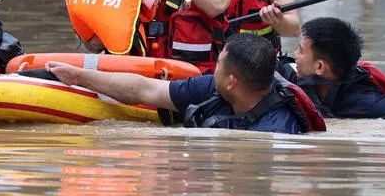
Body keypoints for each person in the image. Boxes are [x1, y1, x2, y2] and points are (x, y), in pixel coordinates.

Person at [45, 33, 325, 134]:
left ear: (232, 81)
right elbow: (146, 89)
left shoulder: (277, 131)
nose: (211, 70)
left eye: (218, 66)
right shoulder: (214, 89)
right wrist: (79, 76)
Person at [277, 16, 385, 120]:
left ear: (319, 67)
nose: (295, 54)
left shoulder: (369, 102)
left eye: (300, 51)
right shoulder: (295, 77)